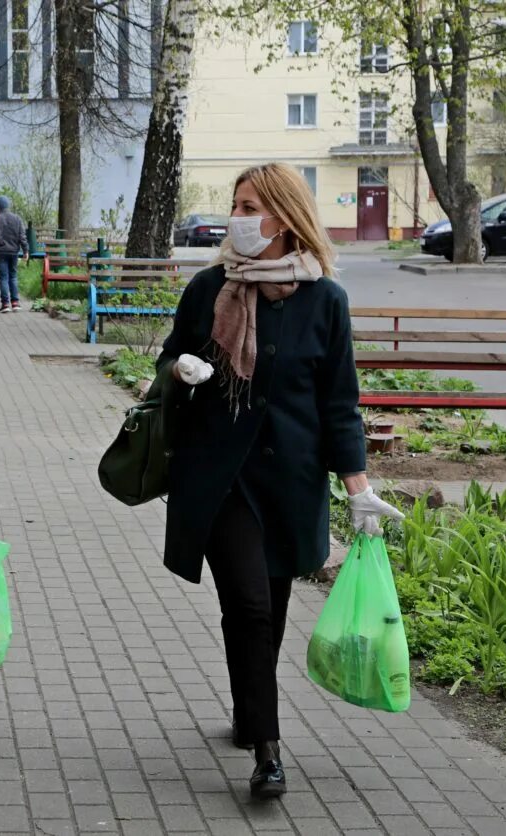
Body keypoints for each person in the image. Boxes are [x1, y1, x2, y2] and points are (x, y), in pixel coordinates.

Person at [155, 163, 403, 800]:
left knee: (271, 603)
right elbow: (168, 358)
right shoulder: (211, 287)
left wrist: (357, 485)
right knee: (250, 604)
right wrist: (180, 368)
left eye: (253, 207)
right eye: (236, 205)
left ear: (288, 219)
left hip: (290, 480)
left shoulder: (326, 301)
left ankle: (247, 709)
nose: (240, 218)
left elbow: (339, 402)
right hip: (219, 476)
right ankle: (267, 750)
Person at [0, 195, 28, 313]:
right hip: (14, 252)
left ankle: (5, 304)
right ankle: (16, 302)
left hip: (1, 252)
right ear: (8, 206)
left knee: (3, 277)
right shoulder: (17, 219)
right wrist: (26, 251)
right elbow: (22, 236)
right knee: (13, 276)